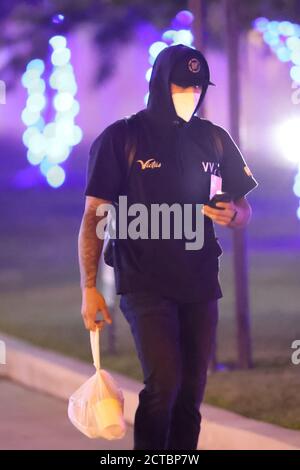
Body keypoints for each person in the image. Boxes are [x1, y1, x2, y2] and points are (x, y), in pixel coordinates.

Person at [78, 44, 258, 450]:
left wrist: (236, 215)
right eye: (183, 85)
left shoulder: (213, 139)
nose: (191, 94)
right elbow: (93, 218)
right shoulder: (122, 138)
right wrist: (90, 288)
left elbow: (243, 207)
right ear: (160, 84)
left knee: (191, 393)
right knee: (165, 383)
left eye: (198, 87)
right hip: (144, 282)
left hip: (199, 282)